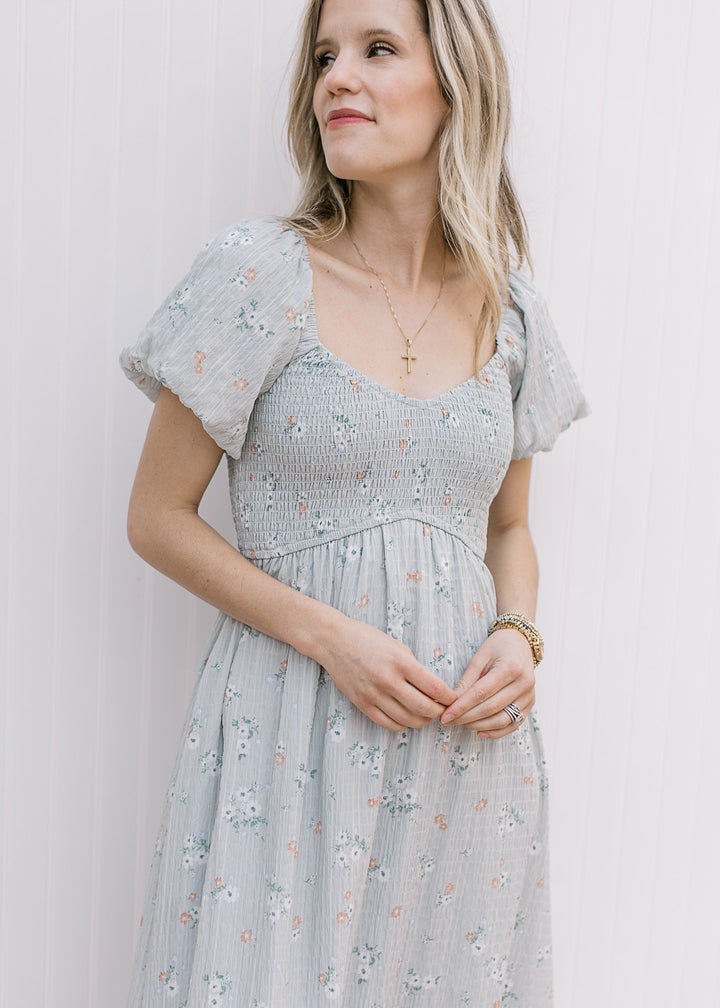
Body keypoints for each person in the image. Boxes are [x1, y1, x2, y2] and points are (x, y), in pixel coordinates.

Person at [120, 0, 588, 1003]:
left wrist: (518, 632)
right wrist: (333, 639)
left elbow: (509, 525)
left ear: (456, 80)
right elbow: (157, 517)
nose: (338, 76)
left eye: (378, 50)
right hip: (286, 739)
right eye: (325, 55)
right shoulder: (259, 272)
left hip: (467, 754)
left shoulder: (513, 310)